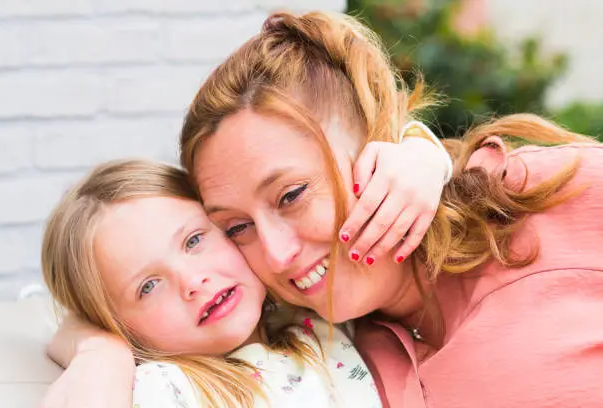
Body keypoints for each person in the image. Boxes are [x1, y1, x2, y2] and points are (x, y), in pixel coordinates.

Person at [176, 10, 603, 408]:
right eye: (236, 227)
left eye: (292, 196)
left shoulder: (552, 198)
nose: (276, 254)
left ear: (378, 144)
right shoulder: (315, 358)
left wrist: (421, 146)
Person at [40, 121, 452, 408]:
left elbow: (391, 134)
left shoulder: (311, 315)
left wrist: (424, 157)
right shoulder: (165, 388)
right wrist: (101, 353)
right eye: (147, 286)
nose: (192, 282)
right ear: (121, 327)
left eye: (194, 240)